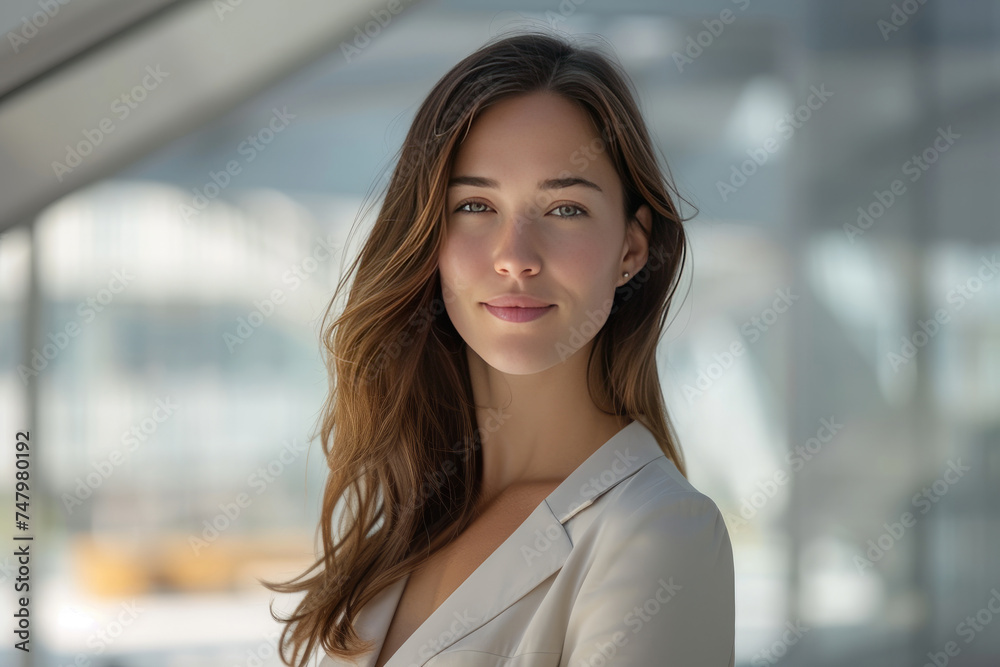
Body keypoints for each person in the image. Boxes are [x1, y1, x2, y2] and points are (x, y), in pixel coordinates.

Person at [261, 29, 735, 667]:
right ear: (429, 234)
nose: (515, 257)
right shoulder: (401, 522)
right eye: (477, 205)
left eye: (564, 209)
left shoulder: (658, 535)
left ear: (631, 247)